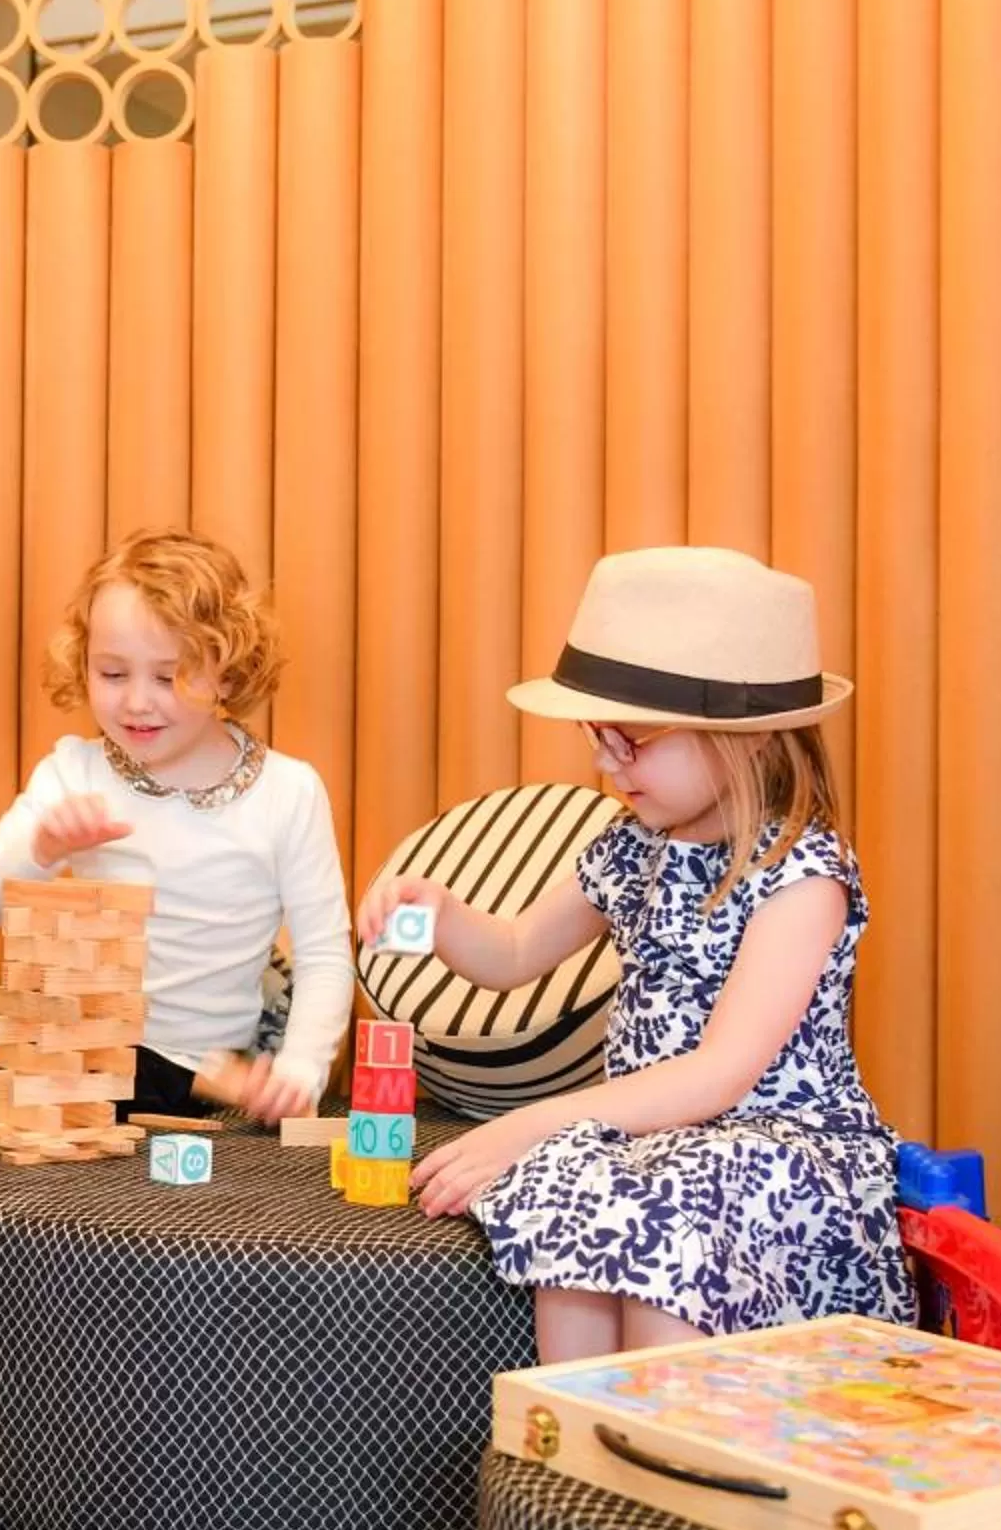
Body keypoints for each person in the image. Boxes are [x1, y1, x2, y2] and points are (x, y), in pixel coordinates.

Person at [354, 546, 914, 1364]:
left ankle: (656, 1458)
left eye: (632, 740)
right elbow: (512, 954)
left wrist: (529, 1125)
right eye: (596, 737)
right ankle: (575, 1462)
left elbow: (721, 1075)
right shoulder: (630, 847)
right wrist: (442, 914)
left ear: (747, 741)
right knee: (571, 1181)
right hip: (652, 1135)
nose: (604, 763)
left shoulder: (802, 875)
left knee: (668, 1201)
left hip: (779, 1141)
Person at [0, 528, 352, 1269]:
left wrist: (300, 1072)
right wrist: (42, 850)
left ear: (226, 670)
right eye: (112, 672)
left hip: (177, 1063)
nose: (137, 701)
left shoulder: (288, 793)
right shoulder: (77, 770)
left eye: (170, 675)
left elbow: (324, 955)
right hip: (59, 1025)